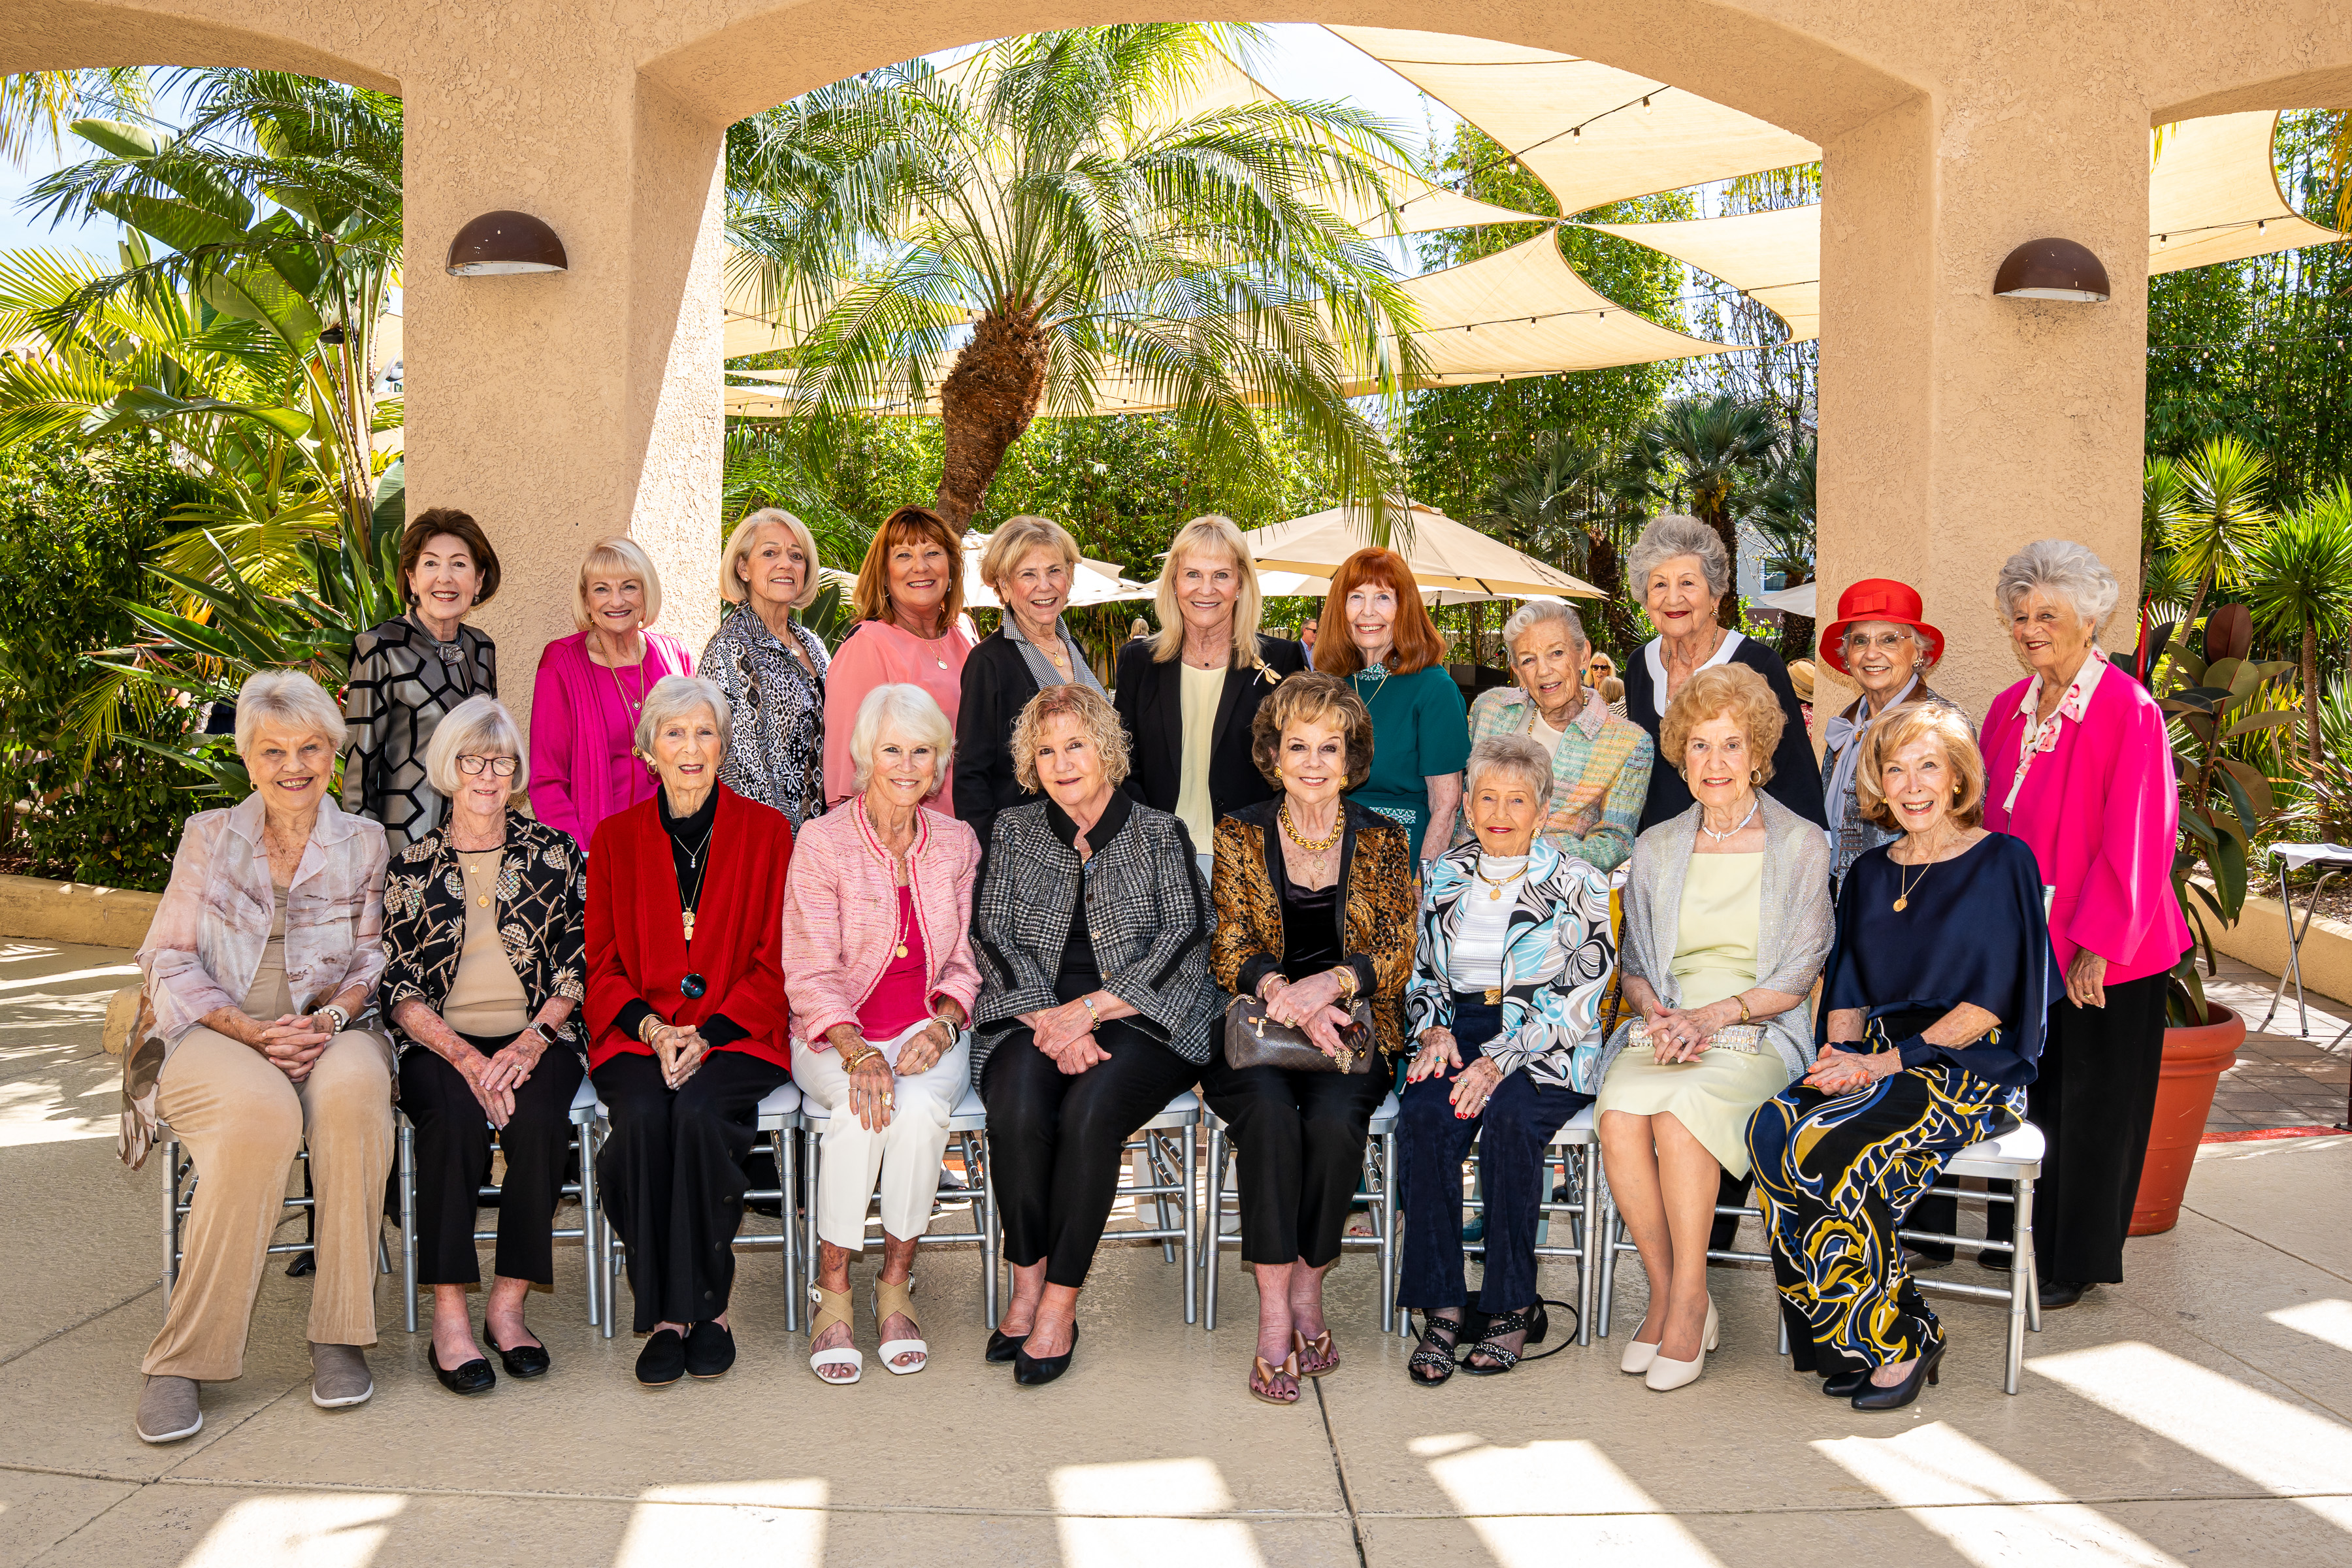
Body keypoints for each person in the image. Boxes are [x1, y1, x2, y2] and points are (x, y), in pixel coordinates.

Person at [1750, 702, 2053, 1411]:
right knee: (1772, 1127)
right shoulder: (1869, 873)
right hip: (1879, 1057)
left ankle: (1898, 1339)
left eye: (1929, 767)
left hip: (1970, 1065)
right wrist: (1841, 1059)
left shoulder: (2003, 861)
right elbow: (1848, 989)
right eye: (1896, 770)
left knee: (1832, 1149)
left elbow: (1991, 1005)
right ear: (1879, 784)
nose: (1913, 786)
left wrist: (1882, 1067)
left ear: (1957, 779)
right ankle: (1848, 1339)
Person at [131, 670, 392, 1444]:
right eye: (273, 750)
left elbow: (372, 957)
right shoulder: (209, 835)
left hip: (326, 1027)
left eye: (310, 747)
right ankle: (183, 1358)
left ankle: (340, 1332)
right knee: (261, 1115)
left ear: (333, 754)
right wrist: (252, 1033)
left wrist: (331, 1018)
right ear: (247, 758)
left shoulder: (364, 841)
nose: (293, 765)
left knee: (354, 1093)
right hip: (212, 1030)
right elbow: (167, 958)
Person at [971, 685, 1217, 1386]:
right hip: (1035, 1013)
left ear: (1106, 749)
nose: (1062, 763)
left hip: (1143, 1017)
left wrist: (1093, 1010)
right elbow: (991, 934)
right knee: (1017, 1103)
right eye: (1046, 751)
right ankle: (1027, 1282)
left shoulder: (1158, 831)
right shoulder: (1015, 830)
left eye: (1076, 745)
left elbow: (1185, 935)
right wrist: (1051, 1017)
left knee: (1089, 1112)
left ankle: (1059, 1303)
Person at [1595, 664, 1832, 1392]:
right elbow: (1635, 965)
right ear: (1682, 756)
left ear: (1758, 752)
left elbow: (1801, 971)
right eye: (1700, 745)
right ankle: (1667, 1293)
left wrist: (1714, 1016)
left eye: (1732, 744)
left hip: (1757, 1026)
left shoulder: (1801, 844)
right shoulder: (1659, 844)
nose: (1716, 762)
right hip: (1667, 1025)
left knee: (1680, 1119)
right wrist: (1658, 1013)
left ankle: (1692, 1302)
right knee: (1620, 1117)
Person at [1978, 541, 2188, 1309]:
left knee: (2092, 1107)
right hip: (2027, 943)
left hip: (2107, 947)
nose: (2031, 629)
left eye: (2048, 615)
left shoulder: (2129, 709)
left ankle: (2075, 1261)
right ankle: (2021, 1240)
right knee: (2031, 1096)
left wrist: (2097, 946)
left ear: (2091, 619)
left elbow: (2141, 836)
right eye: (2021, 616)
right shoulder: (2008, 707)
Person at [1204, 674, 1416, 1405]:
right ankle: (1274, 1316)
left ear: (1352, 759)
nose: (1314, 762)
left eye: (1331, 747)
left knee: (1332, 1124)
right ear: (1274, 755)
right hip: (1258, 1031)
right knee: (1267, 1118)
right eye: (1299, 746)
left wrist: (1329, 988)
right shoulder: (1239, 831)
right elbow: (1229, 943)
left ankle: (1308, 1287)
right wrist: (1287, 998)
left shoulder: (1383, 838)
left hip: (1351, 1033)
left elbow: (1397, 949)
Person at [585, 675, 793, 1386]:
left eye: (705, 732)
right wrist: (653, 1028)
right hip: (637, 1032)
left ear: (724, 746)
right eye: (674, 733)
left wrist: (706, 1034)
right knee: (644, 1120)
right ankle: (672, 1316)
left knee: (701, 1115)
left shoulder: (768, 833)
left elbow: (776, 958)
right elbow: (602, 962)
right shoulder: (613, 840)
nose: (691, 747)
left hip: (738, 1032)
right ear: (649, 751)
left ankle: (704, 1310)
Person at [380, 696, 587, 1395]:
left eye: (501, 763)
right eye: (473, 762)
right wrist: (466, 1058)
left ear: (517, 772)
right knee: (452, 1122)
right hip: (442, 1042)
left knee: (539, 1123)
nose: (488, 777)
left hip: (538, 1034)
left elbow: (577, 963)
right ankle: (450, 1317)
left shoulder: (555, 853)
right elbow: (399, 986)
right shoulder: (411, 866)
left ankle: (507, 1305)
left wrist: (530, 1043)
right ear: (449, 768)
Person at [1397, 736, 1616, 1386]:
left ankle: (1512, 1302)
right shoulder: (1443, 874)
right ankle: (1443, 1306)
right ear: (1466, 807)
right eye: (1487, 797)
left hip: (1548, 1041)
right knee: (1425, 1119)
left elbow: (1581, 999)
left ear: (1542, 811)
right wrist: (1433, 1029)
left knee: (1512, 1123)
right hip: (1459, 1030)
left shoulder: (1579, 882)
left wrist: (1499, 1058)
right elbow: (1423, 975)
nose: (1500, 812)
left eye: (1517, 800)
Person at [782, 685, 983, 1385]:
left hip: (929, 1029)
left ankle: (896, 1283)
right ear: (866, 755)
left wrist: (947, 1021)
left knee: (921, 1109)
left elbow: (968, 960)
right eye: (892, 749)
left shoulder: (956, 842)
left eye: (921, 751)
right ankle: (833, 1287)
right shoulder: (822, 841)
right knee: (862, 1108)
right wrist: (856, 1047)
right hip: (835, 1036)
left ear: (939, 762)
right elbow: (808, 969)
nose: (906, 765)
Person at [1115, 514, 1307, 874]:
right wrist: (1150, 833)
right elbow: (1121, 763)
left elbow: (1297, 761)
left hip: (1252, 856)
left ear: (1240, 584)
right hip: (1155, 855)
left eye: (1221, 575)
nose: (1206, 589)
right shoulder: (1138, 661)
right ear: (1174, 582)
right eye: (1193, 574)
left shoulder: (1280, 660)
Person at [1619, 516, 1823, 834]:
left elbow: (1795, 778)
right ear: (1645, 599)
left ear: (1715, 595)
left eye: (1687, 583)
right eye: (1659, 585)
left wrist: (1809, 849)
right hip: (1663, 851)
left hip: (1743, 847)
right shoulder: (1639, 666)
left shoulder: (1759, 664)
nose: (1673, 598)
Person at [341, 508, 501, 853]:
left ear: (478, 580)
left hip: (476, 840)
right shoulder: (380, 647)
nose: (445, 578)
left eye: (459, 564)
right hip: (404, 846)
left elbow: (491, 749)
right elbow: (358, 772)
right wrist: (363, 858)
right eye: (430, 564)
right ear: (412, 580)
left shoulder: (482, 648)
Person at [1462, 600, 1654, 873]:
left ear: (1583, 656)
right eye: (1528, 660)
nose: (1544, 670)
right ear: (1517, 671)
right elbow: (1461, 802)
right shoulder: (1490, 709)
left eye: (1556, 653)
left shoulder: (1627, 743)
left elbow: (1615, 842)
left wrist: (1534, 848)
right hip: (1464, 877)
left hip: (1551, 889)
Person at [529, 536, 695, 847]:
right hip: (599, 847)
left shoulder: (675, 656)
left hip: (676, 842)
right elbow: (547, 780)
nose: (616, 601)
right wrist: (579, 856)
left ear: (646, 593)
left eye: (629, 587)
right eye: (602, 589)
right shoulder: (560, 665)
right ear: (586, 600)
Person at [1313, 547, 1469, 870]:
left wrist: (1421, 881)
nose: (1367, 612)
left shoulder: (1434, 688)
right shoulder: (1328, 684)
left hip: (1396, 854)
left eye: (1383, 598)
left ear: (1404, 608)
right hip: (1322, 848)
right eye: (1356, 597)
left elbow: (1446, 805)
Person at [957, 515, 1105, 853]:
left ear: (1070, 575)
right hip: (1029, 847)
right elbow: (971, 776)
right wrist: (992, 857)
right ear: (1004, 585)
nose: (1045, 586)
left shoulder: (1073, 646)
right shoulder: (988, 661)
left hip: (1095, 839)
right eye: (1028, 574)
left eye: (1054, 571)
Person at [1817, 580, 1968, 894]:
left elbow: (1964, 818)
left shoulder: (1940, 724)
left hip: (1907, 888)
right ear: (1847, 654)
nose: (1872, 654)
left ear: (1918, 652)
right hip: (1840, 891)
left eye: (1889, 640)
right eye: (1860, 641)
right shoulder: (1848, 720)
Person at [823, 505, 975, 811]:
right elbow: (848, 777)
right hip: (907, 831)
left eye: (932, 553)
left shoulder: (965, 631)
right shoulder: (867, 645)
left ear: (951, 566)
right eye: (904, 555)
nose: (921, 567)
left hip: (975, 825)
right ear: (884, 573)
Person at [703, 508, 831, 829]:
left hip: (824, 837)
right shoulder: (731, 649)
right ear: (743, 568)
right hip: (769, 838)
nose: (786, 564)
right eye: (770, 553)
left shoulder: (813, 644)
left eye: (796, 556)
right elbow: (739, 770)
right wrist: (782, 843)